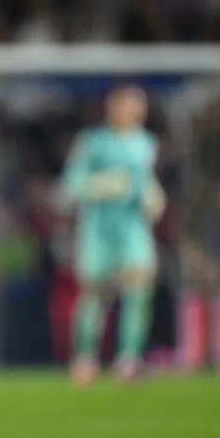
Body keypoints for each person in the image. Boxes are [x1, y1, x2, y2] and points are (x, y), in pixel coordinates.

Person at [60, 85, 165, 384]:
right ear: (113, 108)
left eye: (140, 106)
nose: (136, 112)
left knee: (138, 288)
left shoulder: (146, 143)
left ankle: (128, 359)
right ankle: (84, 358)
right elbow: (71, 183)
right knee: (94, 292)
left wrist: (153, 194)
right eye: (130, 105)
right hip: (98, 226)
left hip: (132, 226)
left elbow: (145, 179)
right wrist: (101, 185)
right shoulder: (93, 142)